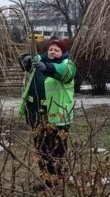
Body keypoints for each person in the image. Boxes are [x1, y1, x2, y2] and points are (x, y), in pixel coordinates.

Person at [18, 38, 76, 180]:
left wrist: (47, 68)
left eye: (57, 50)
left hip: (57, 116)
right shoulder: (39, 61)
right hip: (36, 113)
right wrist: (25, 58)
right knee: (41, 148)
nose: (53, 52)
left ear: (63, 52)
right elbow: (25, 61)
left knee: (56, 150)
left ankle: (57, 180)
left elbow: (64, 72)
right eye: (51, 49)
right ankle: (45, 180)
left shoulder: (68, 65)